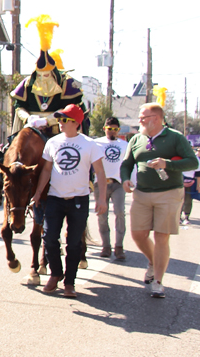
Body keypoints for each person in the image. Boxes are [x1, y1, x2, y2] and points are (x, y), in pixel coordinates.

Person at [120, 103, 199, 298]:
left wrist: (167, 164)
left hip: (169, 193)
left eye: (142, 117)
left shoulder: (175, 137)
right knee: (138, 234)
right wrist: (125, 179)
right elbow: (126, 164)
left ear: (155, 118)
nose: (139, 120)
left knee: (162, 237)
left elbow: (193, 161)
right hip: (142, 193)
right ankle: (153, 261)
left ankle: (158, 282)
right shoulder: (136, 139)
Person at [31, 104, 107, 299]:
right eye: (60, 119)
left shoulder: (90, 144)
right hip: (55, 198)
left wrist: (102, 199)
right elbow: (47, 170)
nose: (60, 123)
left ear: (75, 122)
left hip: (79, 199)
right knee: (49, 239)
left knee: (74, 244)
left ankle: (69, 282)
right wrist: (38, 192)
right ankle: (56, 273)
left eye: (64, 119)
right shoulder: (53, 142)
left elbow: (99, 172)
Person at [9, 15, 86, 135]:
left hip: (59, 128)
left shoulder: (66, 84)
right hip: (31, 127)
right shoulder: (28, 84)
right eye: (39, 75)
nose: (42, 79)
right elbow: (19, 106)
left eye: (46, 75)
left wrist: (48, 120)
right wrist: (28, 118)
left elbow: (72, 109)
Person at [94, 117, 129, 260]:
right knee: (102, 214)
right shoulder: (96, 143)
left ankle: (119, 246)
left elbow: (129, 164)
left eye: (115, 129)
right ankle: (106, 246)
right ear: (104, 129)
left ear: (118, 130)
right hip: (100, 184)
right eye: (110, 129)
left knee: (120, 212)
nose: (112, 132)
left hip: (118, 183)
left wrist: (130, 181)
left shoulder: (124, 145)